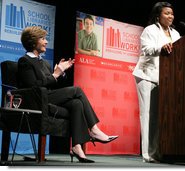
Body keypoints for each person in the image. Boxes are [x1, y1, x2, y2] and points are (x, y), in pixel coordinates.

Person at [18, 26, 118, 163]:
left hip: (49, 96)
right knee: (77, 90)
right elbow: (32, 86)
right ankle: (94, 129)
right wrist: (55, 74)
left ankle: (76, 146)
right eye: (43, 39)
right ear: (33, 42)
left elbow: (52, 83)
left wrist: (61, 72)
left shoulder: (44, 63)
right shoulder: (25, 61)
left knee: (76, 103)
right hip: (37, 100)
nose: (46, 42)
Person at [132, 2, 181, 163]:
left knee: (159, 117)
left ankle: (158, 151)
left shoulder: (176, 34)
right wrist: (161, 47)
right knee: (147, 115)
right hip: (146, 75)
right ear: (158, 16)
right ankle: (147, 154)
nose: (170, 16)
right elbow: (146, 49)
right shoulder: (150, 30)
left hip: (166, 79)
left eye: (172, 14)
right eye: (167, 13)